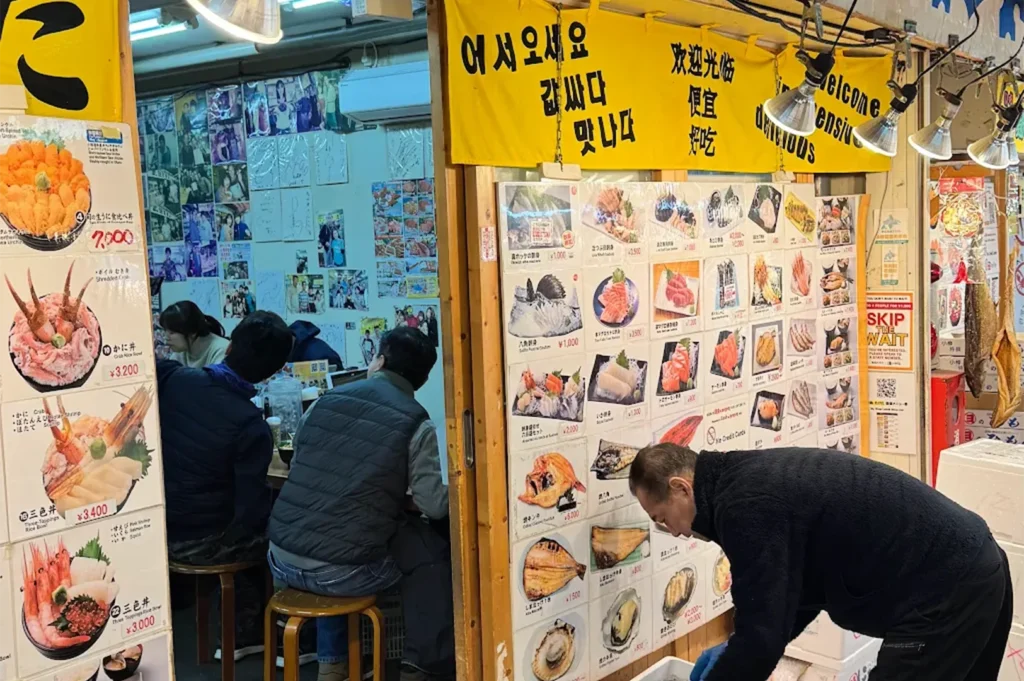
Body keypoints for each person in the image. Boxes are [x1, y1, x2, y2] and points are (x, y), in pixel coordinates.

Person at [628, 444, 1012, 681]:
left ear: (681, 487)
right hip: (977, 561)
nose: (673, 531)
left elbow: (762, 639)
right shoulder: (742, 480)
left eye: (662, 518)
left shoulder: (743, 507)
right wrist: (736, 648)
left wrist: (742, 653)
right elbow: (793, 599)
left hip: (946, 591)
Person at [268, 327, 453, 681]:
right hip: (342, 573)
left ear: (378, 360)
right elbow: (433, 506)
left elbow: (301, 458)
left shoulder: (325, 402)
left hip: (279, 559)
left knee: (338, 535)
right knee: (430, 553)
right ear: (424, 378)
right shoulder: (416, 421)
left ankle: (332, 663)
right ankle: (421, 666)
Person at [161, 311, 294, 662]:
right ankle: (253, 635)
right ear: (275, 372)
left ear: (230, 345)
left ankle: (242, 634)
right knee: (271, 538)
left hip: (156, 527)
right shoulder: (251, 425)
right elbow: (250, 512)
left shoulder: (175, 380)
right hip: (200, 541)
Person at [159, 301, 230, 368]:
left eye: (172, 332)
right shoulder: (179, 353)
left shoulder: (221, 350)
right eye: (165, 330)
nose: (166, 337)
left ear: (192, 331)